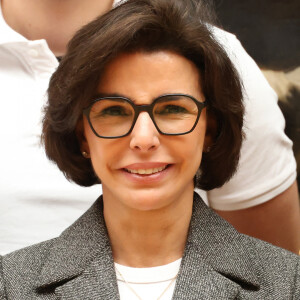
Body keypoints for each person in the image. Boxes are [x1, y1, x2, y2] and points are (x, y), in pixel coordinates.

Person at [1, 1, 299, 298]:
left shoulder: (287, 283)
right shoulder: (10, 283)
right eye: (114, 111)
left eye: (171, 108)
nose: (143, 139)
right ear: (82, 137)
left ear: (210, 129)